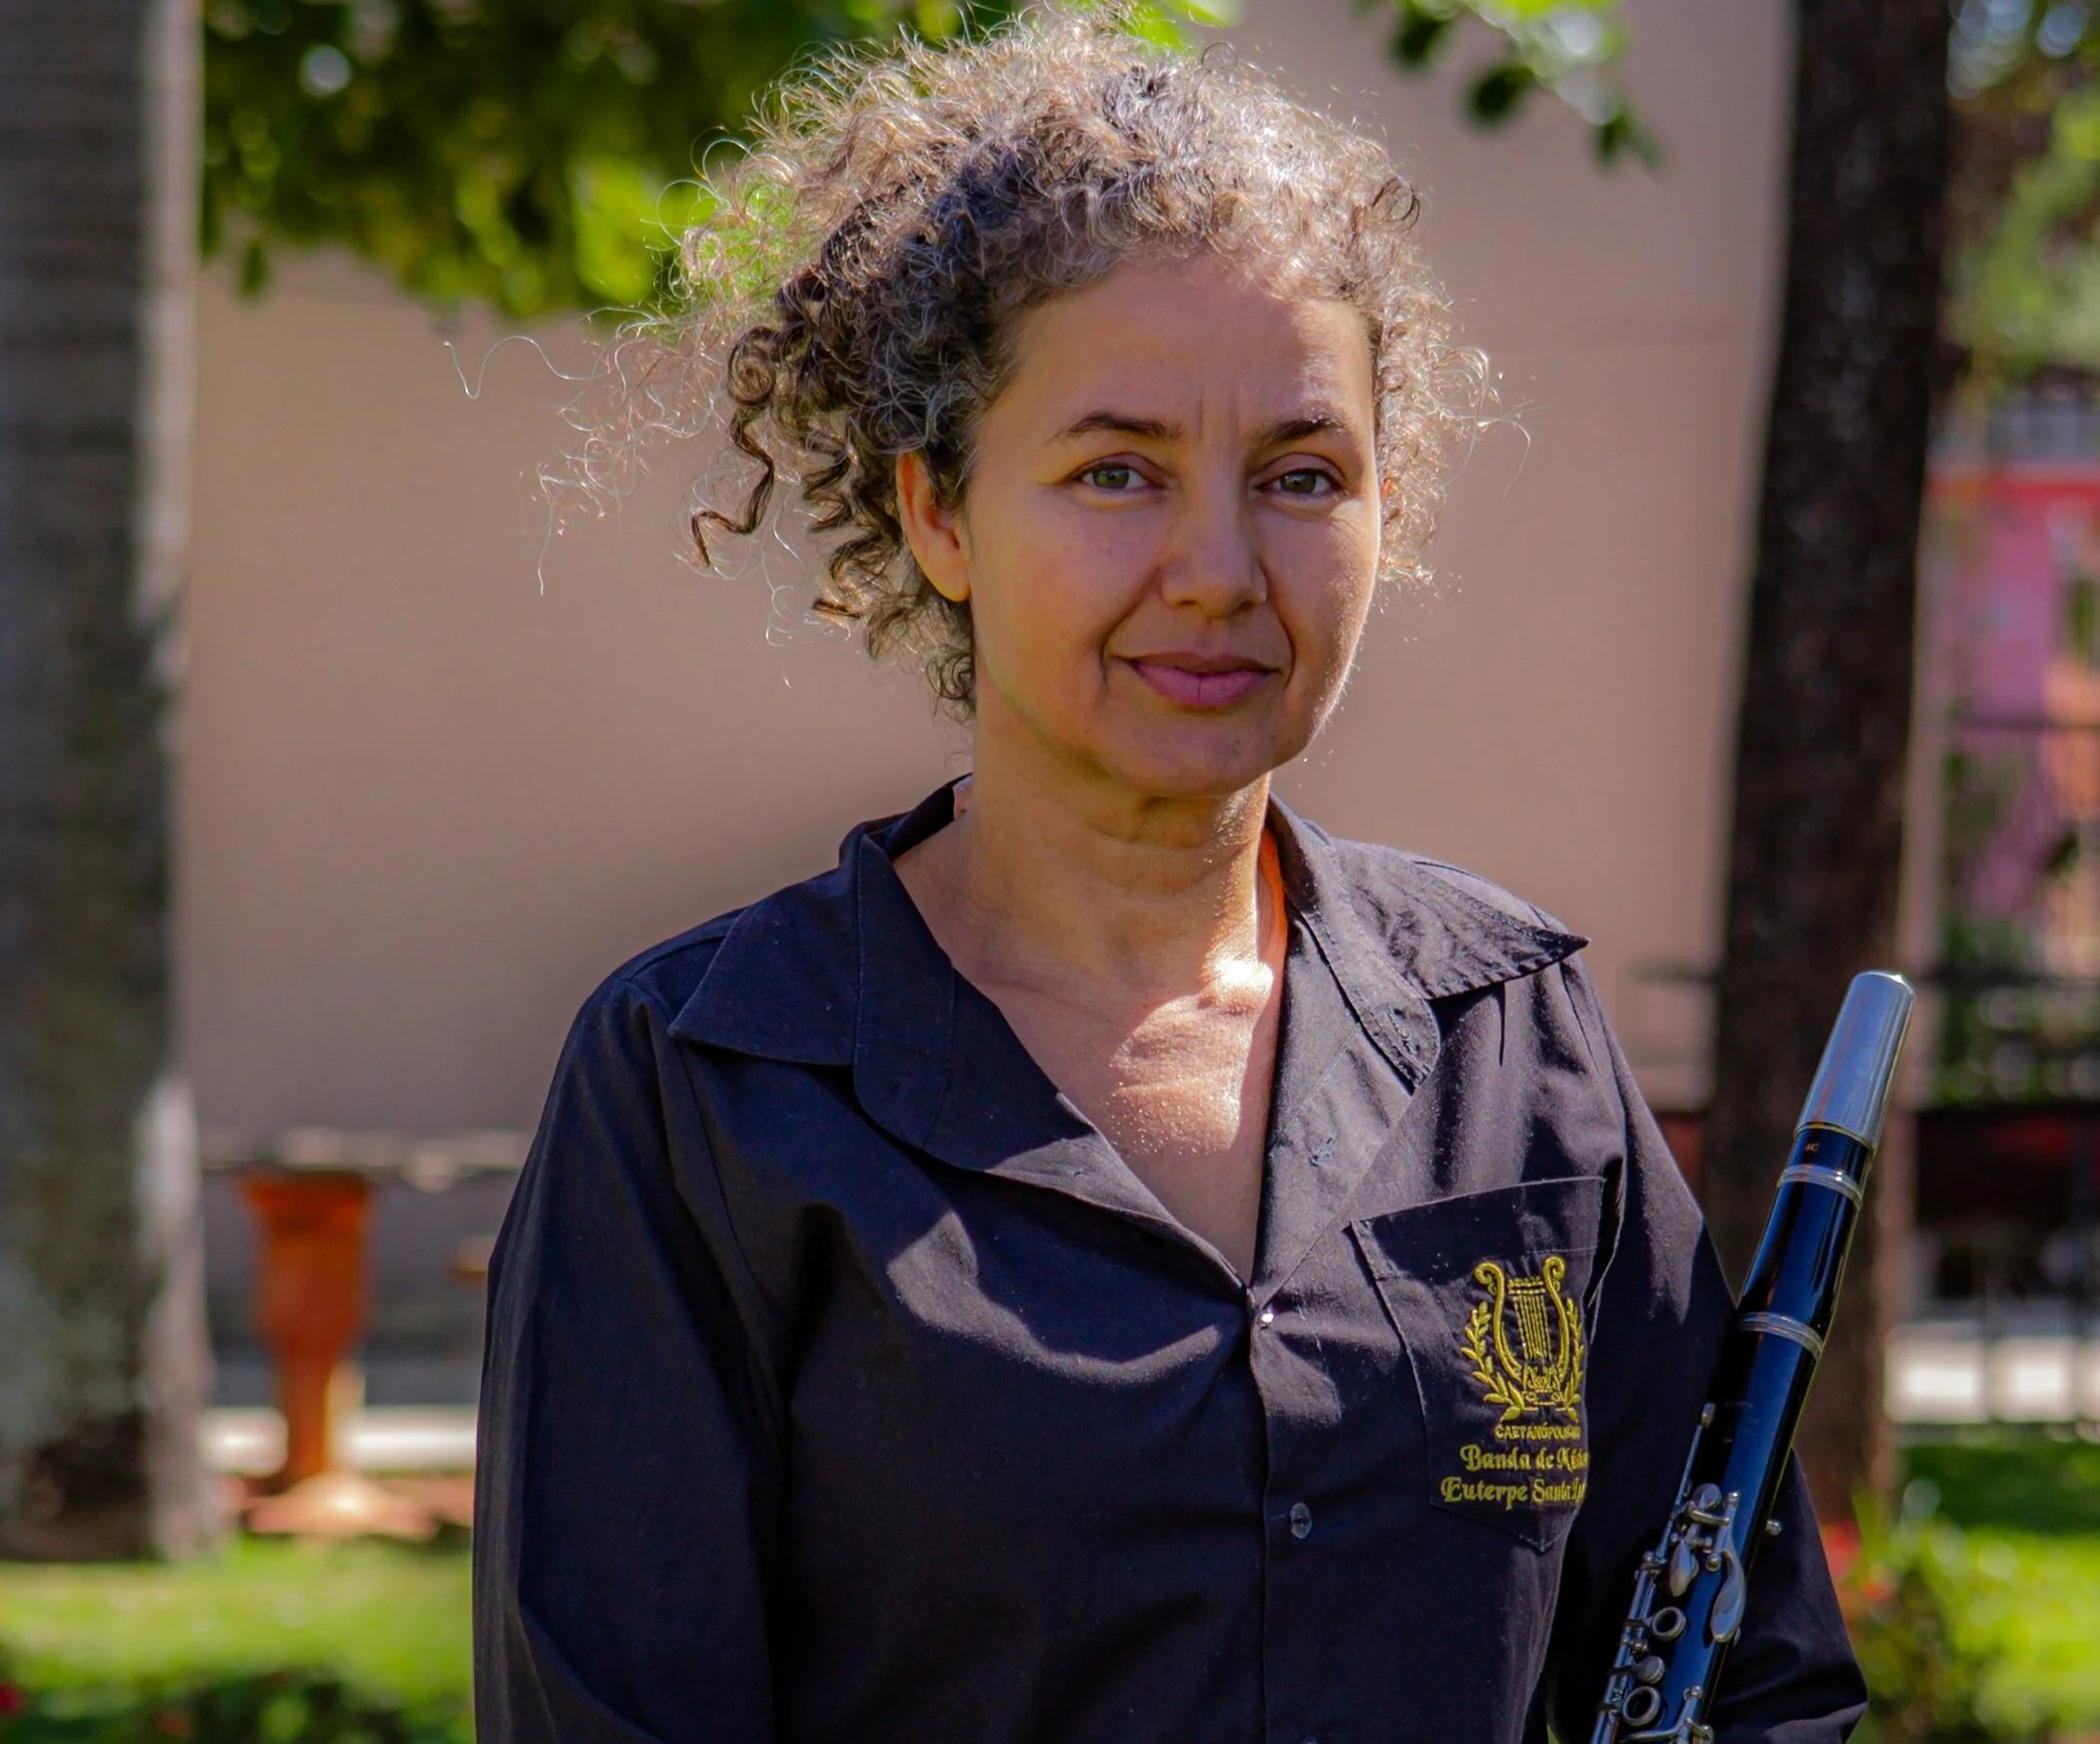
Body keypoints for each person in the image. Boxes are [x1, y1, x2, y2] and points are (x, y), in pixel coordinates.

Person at [472, 12, 1867, 1744]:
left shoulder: (1521, 1039)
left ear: (1383, 514)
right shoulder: (699, 1087)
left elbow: (1761, 1689)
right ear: (938, 514)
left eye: (1300, 477)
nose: (1218, 570)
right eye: (1115, 471)